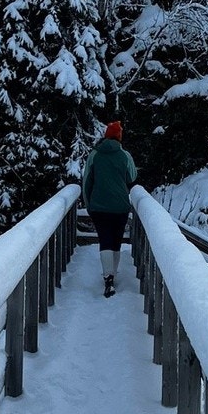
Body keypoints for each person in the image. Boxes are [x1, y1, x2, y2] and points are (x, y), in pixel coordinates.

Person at [81, 121, 136, 297]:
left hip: (99, 206)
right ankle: (113, 275)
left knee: (105, 240)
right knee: (116, 241)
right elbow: (132, 176)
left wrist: (88, 204)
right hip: (120, 206)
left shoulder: (95, 154)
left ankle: (108, 278)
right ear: (119, 136)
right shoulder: (125, 155)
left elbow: (87, 181)